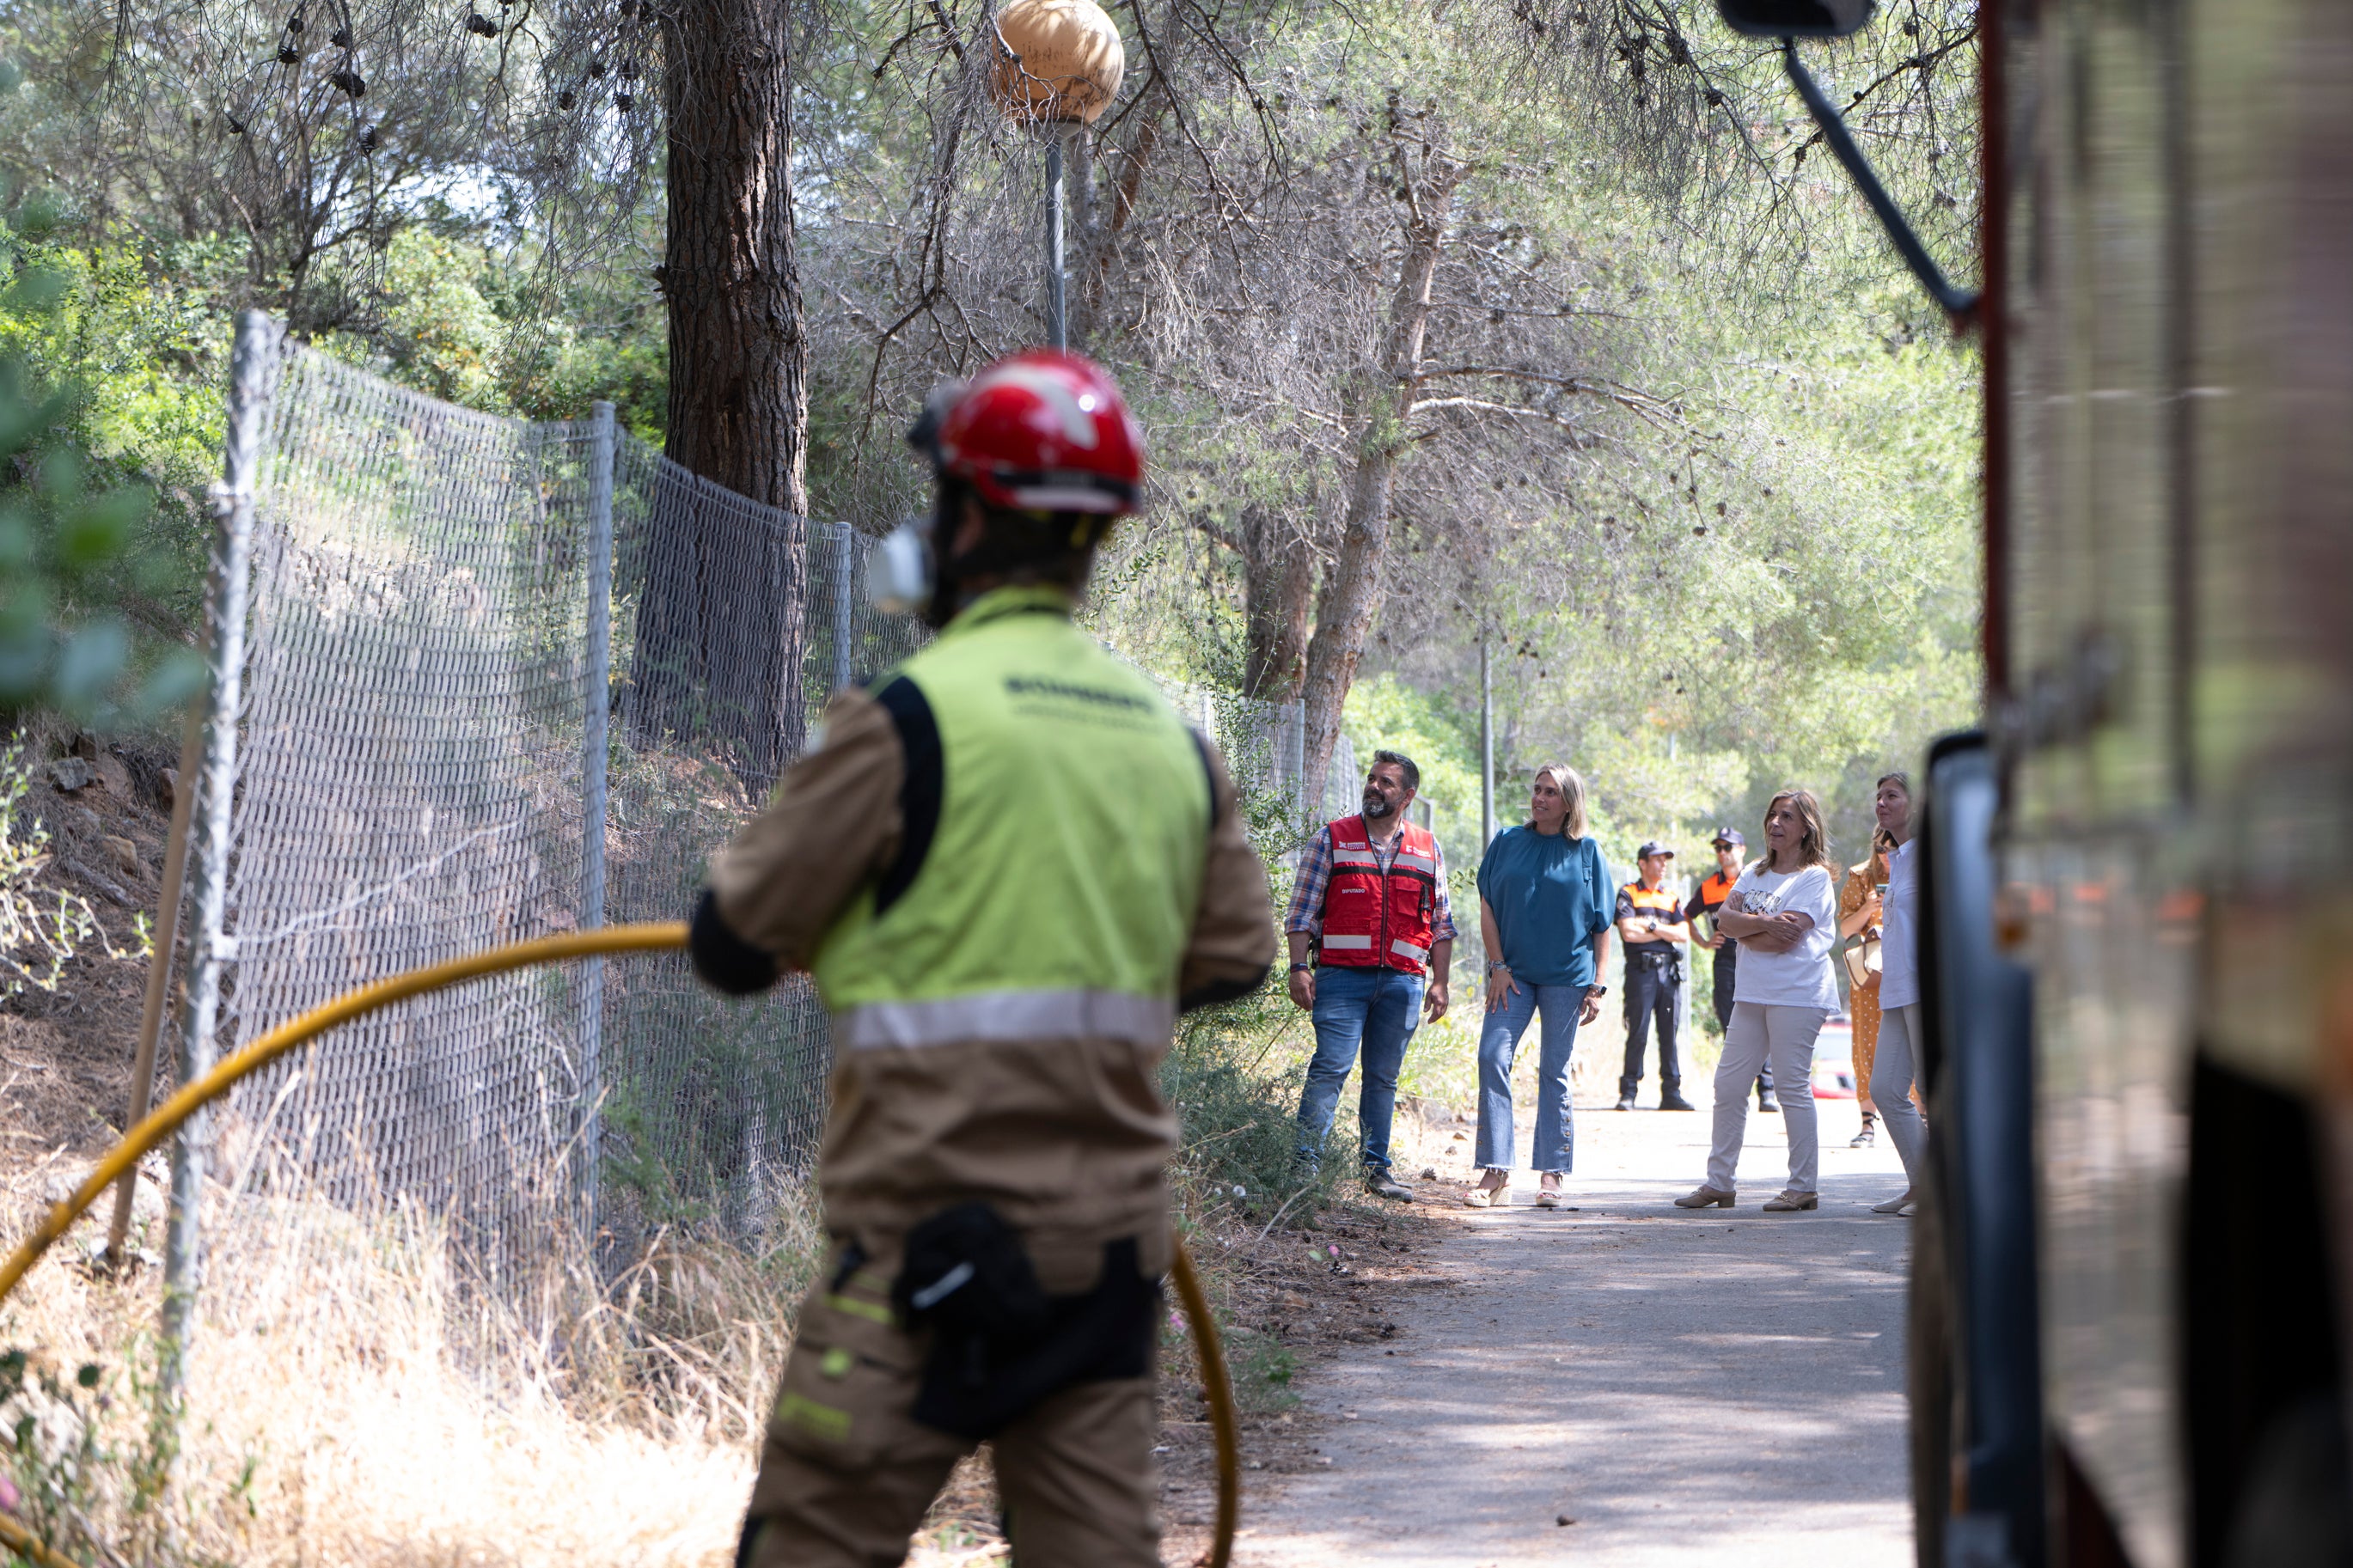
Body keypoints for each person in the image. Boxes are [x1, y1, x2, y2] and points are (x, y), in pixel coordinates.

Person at [688, 350, 1278, 1568]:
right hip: (1100, 1270)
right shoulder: (1172, 745)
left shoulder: (905, 721)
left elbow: (731, 945)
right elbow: (1232, 962)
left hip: (918, 1260)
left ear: (961, 517)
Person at [1285, 751, 1455, 1201]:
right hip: (1341, 979)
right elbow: (1302, 910)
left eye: (1387, 783)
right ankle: (1304, 1168)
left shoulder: (1426, 846)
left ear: (1408, 796)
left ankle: (1376, 1171)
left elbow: (1441, 922)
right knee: (1330, 1069)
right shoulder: (1333, 838)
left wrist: (1439, 982)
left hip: (1402, 983)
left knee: (1383, 1078)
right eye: (1372, 779)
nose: (1375, 787)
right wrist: (1299, 967)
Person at [1675, 789, 1839, 1213]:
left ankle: (1803, 1187)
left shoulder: (1814, 878)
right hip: (1751, 993)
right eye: (1772, 815)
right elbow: (1723, 921)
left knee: (1790, 1087)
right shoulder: (1752, 871)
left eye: (1787, 817)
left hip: (1799, 995)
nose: (1775, 823)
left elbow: (1784, 943)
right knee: (1728, 1086)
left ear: (1806, 828)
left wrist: (1745, 925)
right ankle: (1719, 1183)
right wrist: (1761, 922)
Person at [1465, 765, 1614, 1210]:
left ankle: (1552, 1174)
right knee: (1493, 1056)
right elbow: (1487, 903)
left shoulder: (1587, 852)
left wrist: (1597, 986)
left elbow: (1602, 924)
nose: (1540, 798)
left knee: (1555, 1071)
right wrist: (1498, 965)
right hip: (1513, 974)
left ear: (1569, 802)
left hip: (1567, 977)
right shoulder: (1508, 841)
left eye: (1551, 792)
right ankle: (1496, 1172)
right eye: (1537, 790)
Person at [1866, 772, 1928, 1215]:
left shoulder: (1932, 857)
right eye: (1879, 797)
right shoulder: (1898, 858)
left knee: (1932, 1089)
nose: (1882, 803)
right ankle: (1923, 1186)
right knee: (1886, 1088)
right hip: (1896, 990)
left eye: (1892, 795)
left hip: (1928, 990)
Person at [1687, 827, 1777, 1113]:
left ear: (1742, 849)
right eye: (1718, 848)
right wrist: (1703, 941)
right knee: (1731, 1022)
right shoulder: (1708, 886)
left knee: (1763, 1020)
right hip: (1725, 960)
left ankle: (1767, 1091)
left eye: (1728, 847)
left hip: (1754, 956)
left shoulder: (1757, 879)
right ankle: (1741, 1088)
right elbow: (1686, 915)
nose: (1722, 852)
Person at [1615, 841, 1694, 1112]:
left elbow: (1684, 934)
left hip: (1668, 972)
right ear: (1643, 863)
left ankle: (1671, 1092)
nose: (1663, 865)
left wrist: (1649, 924)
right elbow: (1628, 932)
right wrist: (1664, 930)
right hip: (1641, 971)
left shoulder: (1670, 897)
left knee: (1669, 1032)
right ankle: (1629, 1092)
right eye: (1658, 860)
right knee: (1638, 1031)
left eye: (1665, 860)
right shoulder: (1628, 893)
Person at [1837, 831, 1895, 1146]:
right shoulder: (1860, 876)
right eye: (1880, 849)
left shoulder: (1917, 875)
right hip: (1870, 973)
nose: (1886, 855)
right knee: (1866, 1043)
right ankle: (1867, 1122)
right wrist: (1868, 908)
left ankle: (1921, 1116)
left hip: (1908, 968)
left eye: (1893, 848)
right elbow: (1845, 929)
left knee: (1914, 1040)